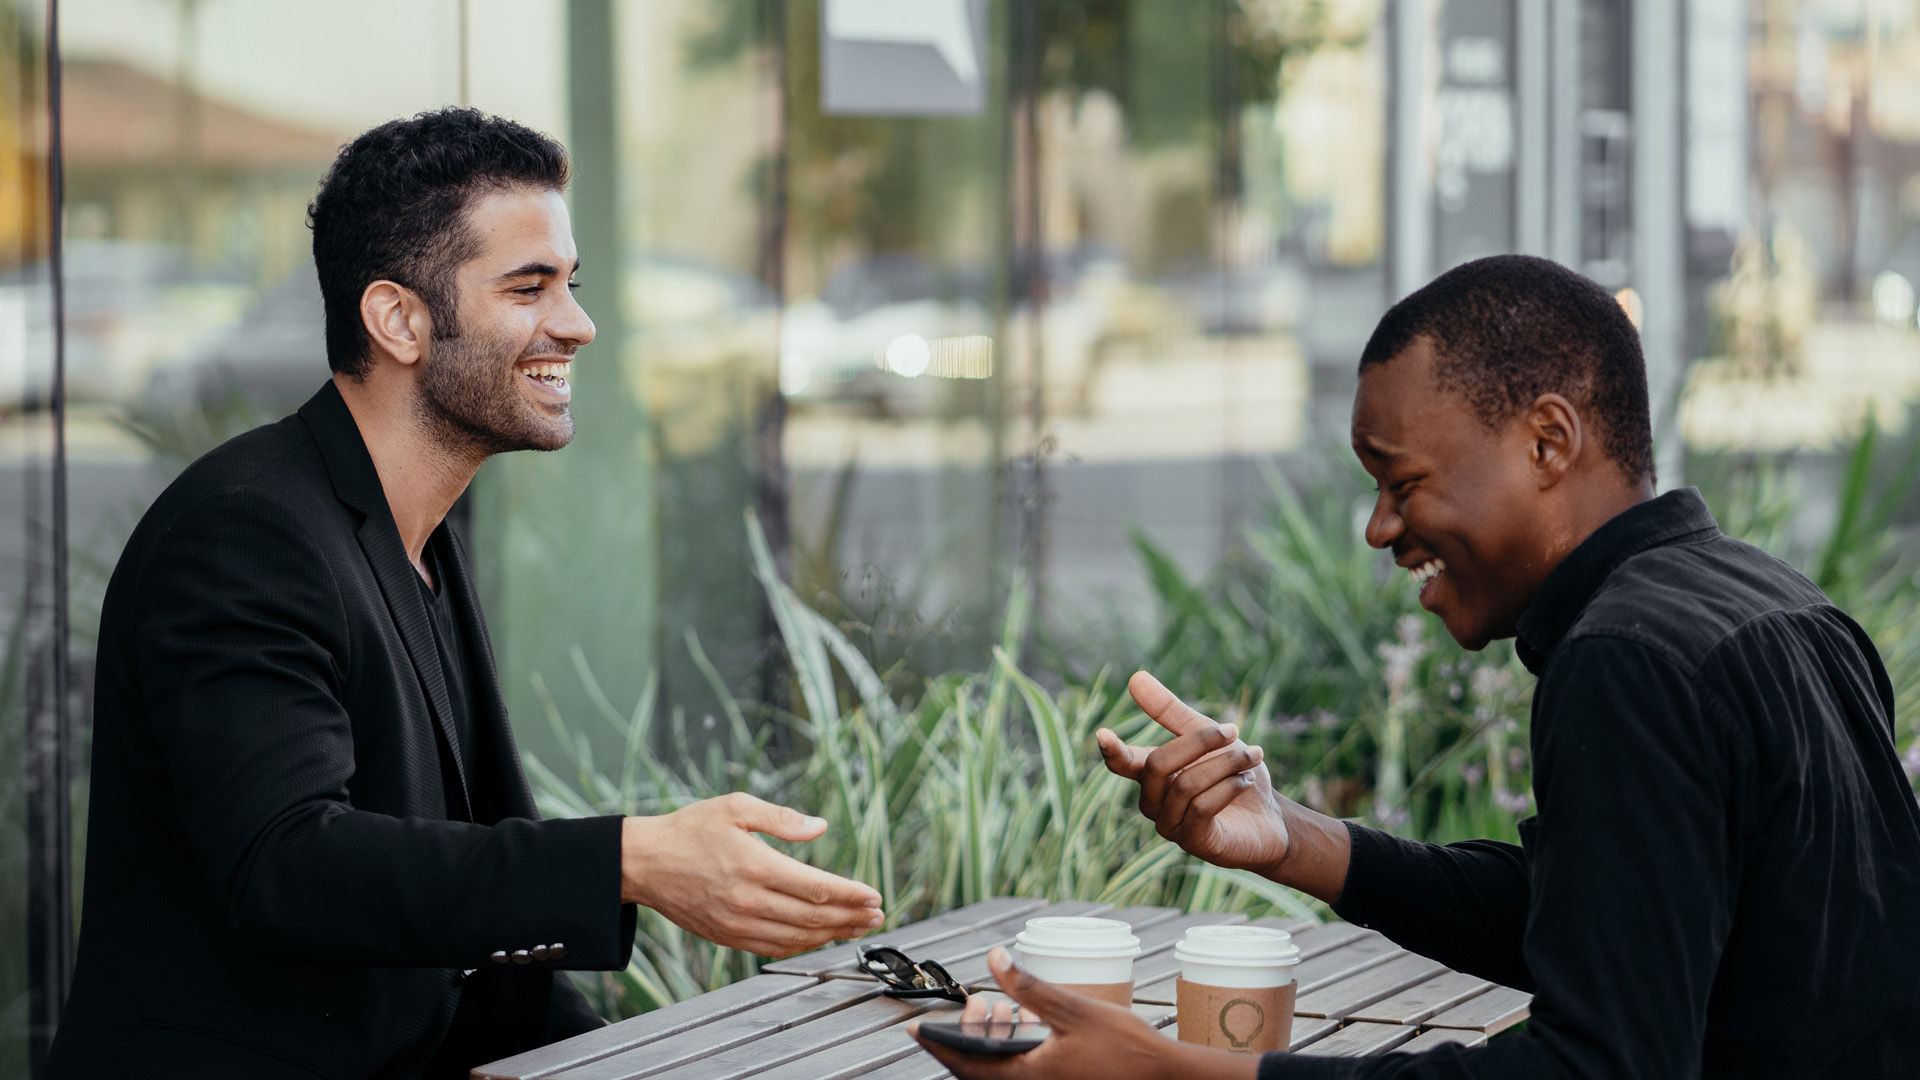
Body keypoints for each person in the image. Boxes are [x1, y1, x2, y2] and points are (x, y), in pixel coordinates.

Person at [914, 255, 1920, 1077]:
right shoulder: (1780, 605)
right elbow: (1619, 915)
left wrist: (1176, 1073)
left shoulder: (1629, 658)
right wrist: (1293, 839)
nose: (1378, 529)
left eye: (1403, 482)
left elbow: (1598, 1069)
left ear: (1547, 441)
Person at [47, 109, 883, 1080]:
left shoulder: (421, 530)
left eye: (571, 285)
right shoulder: (244, 534)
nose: (577, 323)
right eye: (529, 287)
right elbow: (287, 864)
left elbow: (479, 948)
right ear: (397, 319)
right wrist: (631, 859)